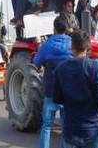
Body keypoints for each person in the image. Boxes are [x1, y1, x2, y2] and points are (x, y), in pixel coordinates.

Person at [53, 30, 98, 148]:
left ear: (72, 46)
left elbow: (57, 98)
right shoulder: (95, 67)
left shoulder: (60, 68)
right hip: (91, 131)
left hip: (70, 130)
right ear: (88, 46)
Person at [34, 18, 73, 148]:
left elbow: (36, 63)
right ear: (66, 28)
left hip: (51, 90)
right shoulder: (72, 44)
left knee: (47, 126)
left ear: (54, 28)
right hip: (68, 91)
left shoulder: (47, 45)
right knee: (66, 125)